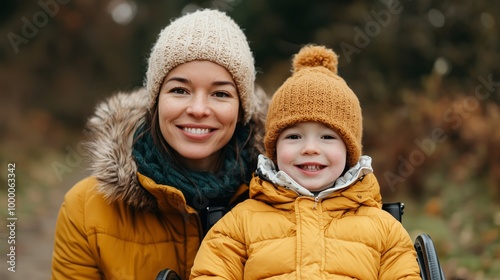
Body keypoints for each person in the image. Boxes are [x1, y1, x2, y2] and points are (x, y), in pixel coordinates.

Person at [51, 9, 268, 280]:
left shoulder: (282, 199)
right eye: (180, 90)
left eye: (220, 93)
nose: (198, 109)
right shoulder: (84, 208)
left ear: (241, 110)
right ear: (155, 100)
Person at [190, 45, 422, 279]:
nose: (310, 148)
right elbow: (210, 274)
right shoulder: (238, 224)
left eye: (327, 137)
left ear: (349, 150)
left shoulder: (384, 229)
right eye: (293, 136)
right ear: (274, 149)